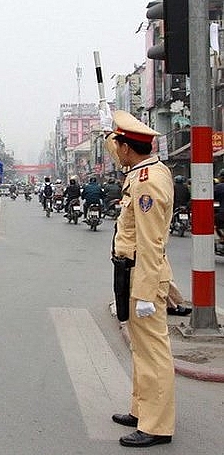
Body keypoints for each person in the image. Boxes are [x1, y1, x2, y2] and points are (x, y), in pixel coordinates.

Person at [108, 110, 175, 447]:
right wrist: (112, 132)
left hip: (142, 274)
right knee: (141, 348)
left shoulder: (147, 180)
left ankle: (157, 425)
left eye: (118, 143)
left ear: (126, 148)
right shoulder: (140, 171)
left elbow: (151, 241)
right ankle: (141, 409)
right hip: (131, 271)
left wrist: (148, 292)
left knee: (153, 352)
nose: (114, 149)